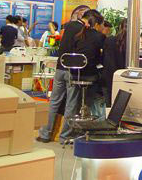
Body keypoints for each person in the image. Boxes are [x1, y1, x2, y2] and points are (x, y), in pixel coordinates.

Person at [37, 9, 103, 144]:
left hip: (60, 68)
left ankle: (45, 134)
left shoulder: (70, 26)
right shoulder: (84, 31)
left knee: (54, 102)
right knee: (71, 104)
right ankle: (64, 136)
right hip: (73, 71)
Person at [102, 18, 127, 107]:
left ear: (119, 27)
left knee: (108, 105)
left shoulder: (110, 40)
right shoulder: (131, 44)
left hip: (108, 76)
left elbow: (103, 58)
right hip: (124, 77)